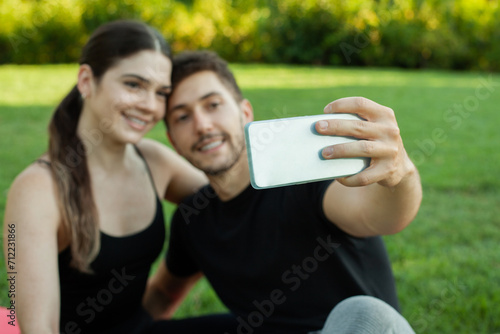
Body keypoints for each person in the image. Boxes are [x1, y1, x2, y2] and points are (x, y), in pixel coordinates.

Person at [144, 50, 423, 334]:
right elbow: (163, 295)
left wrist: (401, 174)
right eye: (182, 117)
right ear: (173, 141)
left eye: (213, 104)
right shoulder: (194, 219)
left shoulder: (306, 178)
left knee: (364, 313)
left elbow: (383, 217)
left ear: (245, 113)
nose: (202, 125)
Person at [1, 20, 240, 334]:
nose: (149, 106)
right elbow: (36, 328)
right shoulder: (37, 189)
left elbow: (235, 198)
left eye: (160, 93)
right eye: (133, 85)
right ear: (86, 80)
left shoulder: (155, 161)